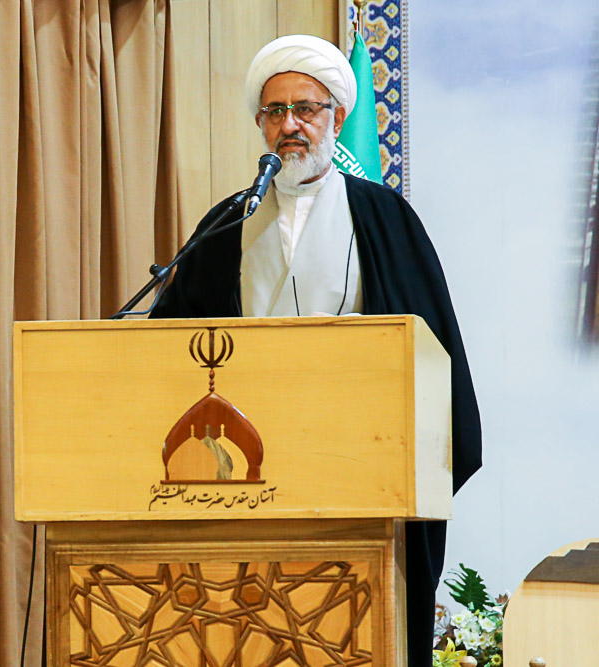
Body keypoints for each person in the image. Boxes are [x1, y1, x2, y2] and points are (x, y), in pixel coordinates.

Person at [150, 34, 481, 665]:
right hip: (241, 481)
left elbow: (432, 352)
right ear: (259, 123)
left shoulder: (385, 218)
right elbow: (170, 346)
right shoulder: (228, 222)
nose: (291, 126)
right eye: (275, 111)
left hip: (356, 472)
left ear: (337, 117)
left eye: (306, 109)